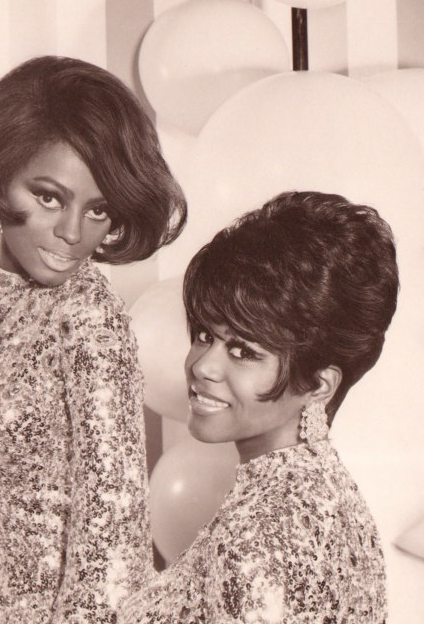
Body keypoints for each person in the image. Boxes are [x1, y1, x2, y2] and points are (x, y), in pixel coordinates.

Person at [0, 55, 187, 623]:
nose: (73, 234)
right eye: (50, 196)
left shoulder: (90, 319)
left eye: (99, 210)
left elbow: (113, 553)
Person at [119, 191, 396, 623]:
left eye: (244, 351)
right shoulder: (328, 500)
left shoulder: (264, 529)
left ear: (320, 385)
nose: (202, 366)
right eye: (205, 335)